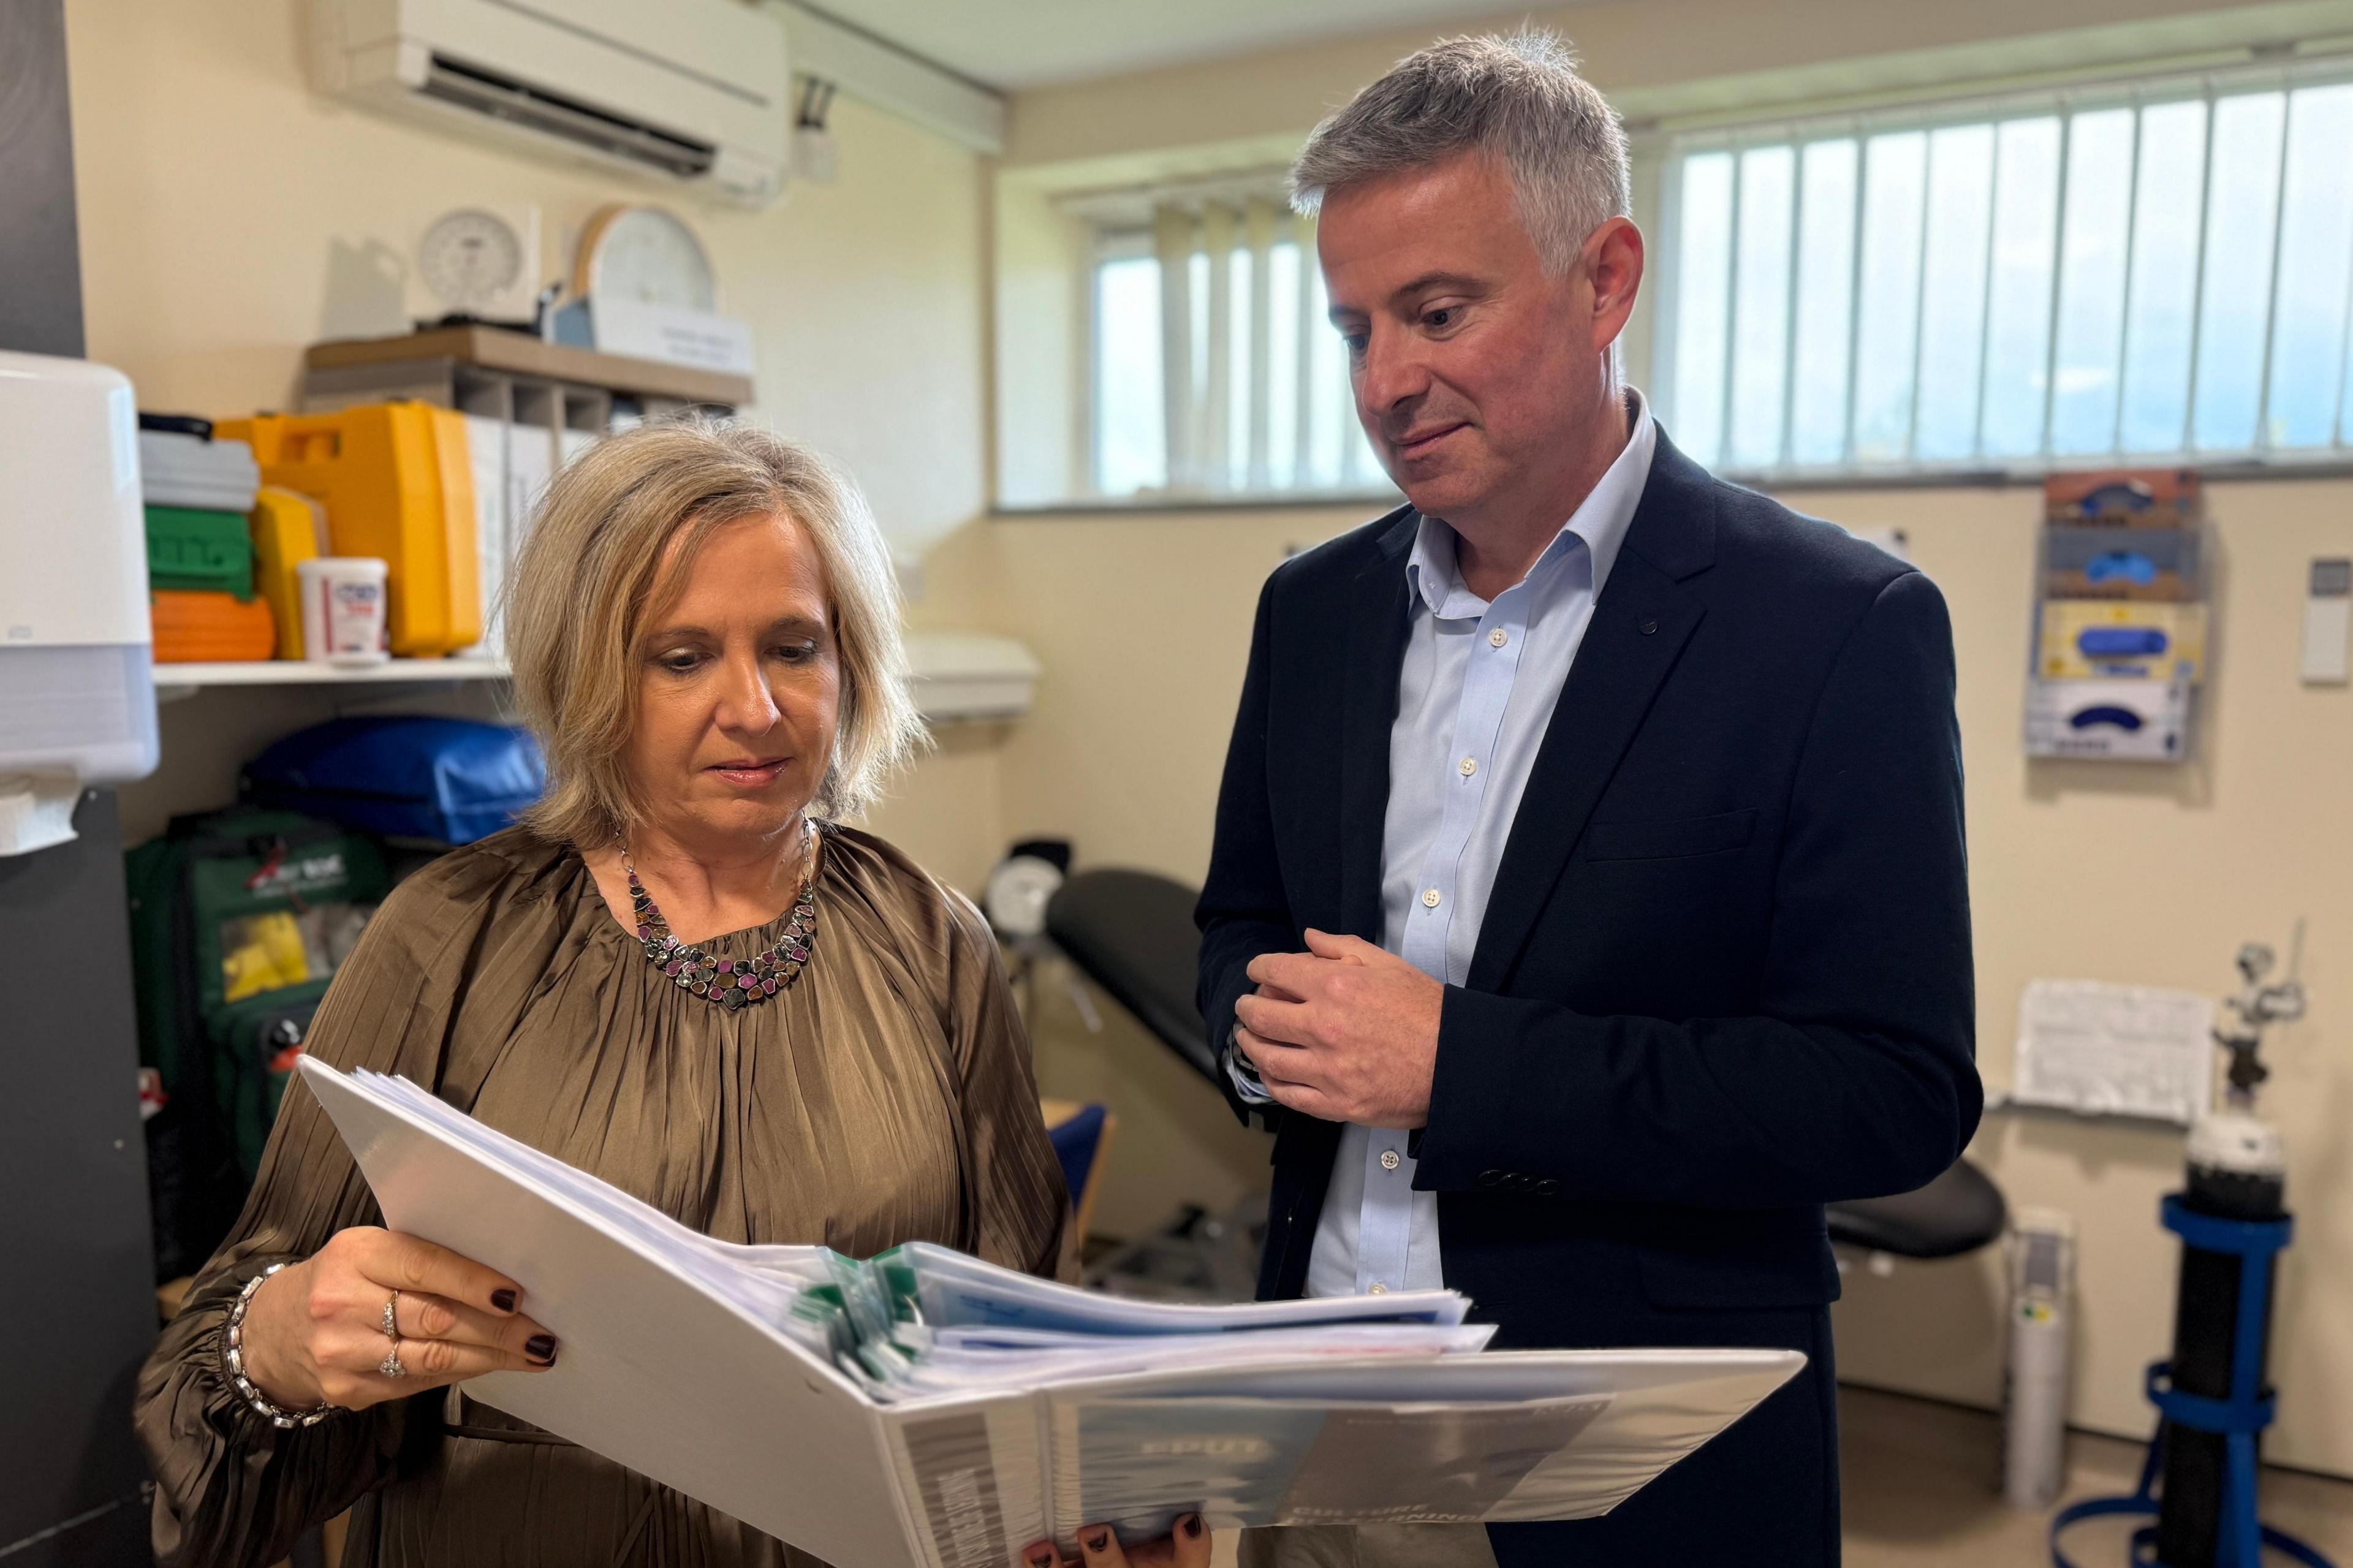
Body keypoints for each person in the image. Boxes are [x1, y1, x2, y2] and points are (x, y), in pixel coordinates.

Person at [1196, 31, 1980, 1568]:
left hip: (1626, 1453)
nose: (1384, 382)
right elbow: (1240, 919)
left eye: (1437, 312)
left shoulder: (1835, 625)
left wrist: (1458, 1063)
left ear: (1605, 279)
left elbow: (1892, 1089)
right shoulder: (1313, 612)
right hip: (1321, 1395)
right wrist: (1259, 1030)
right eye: (1353, 327)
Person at [137, 422, 1097, 1567]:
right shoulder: (451, 939)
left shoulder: (933, 942)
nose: (758, 708)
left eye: (794, 646)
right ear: (588, 676)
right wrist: (286, 1343)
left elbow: (1024, 1338)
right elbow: (224, 1344)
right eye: (681, 658)